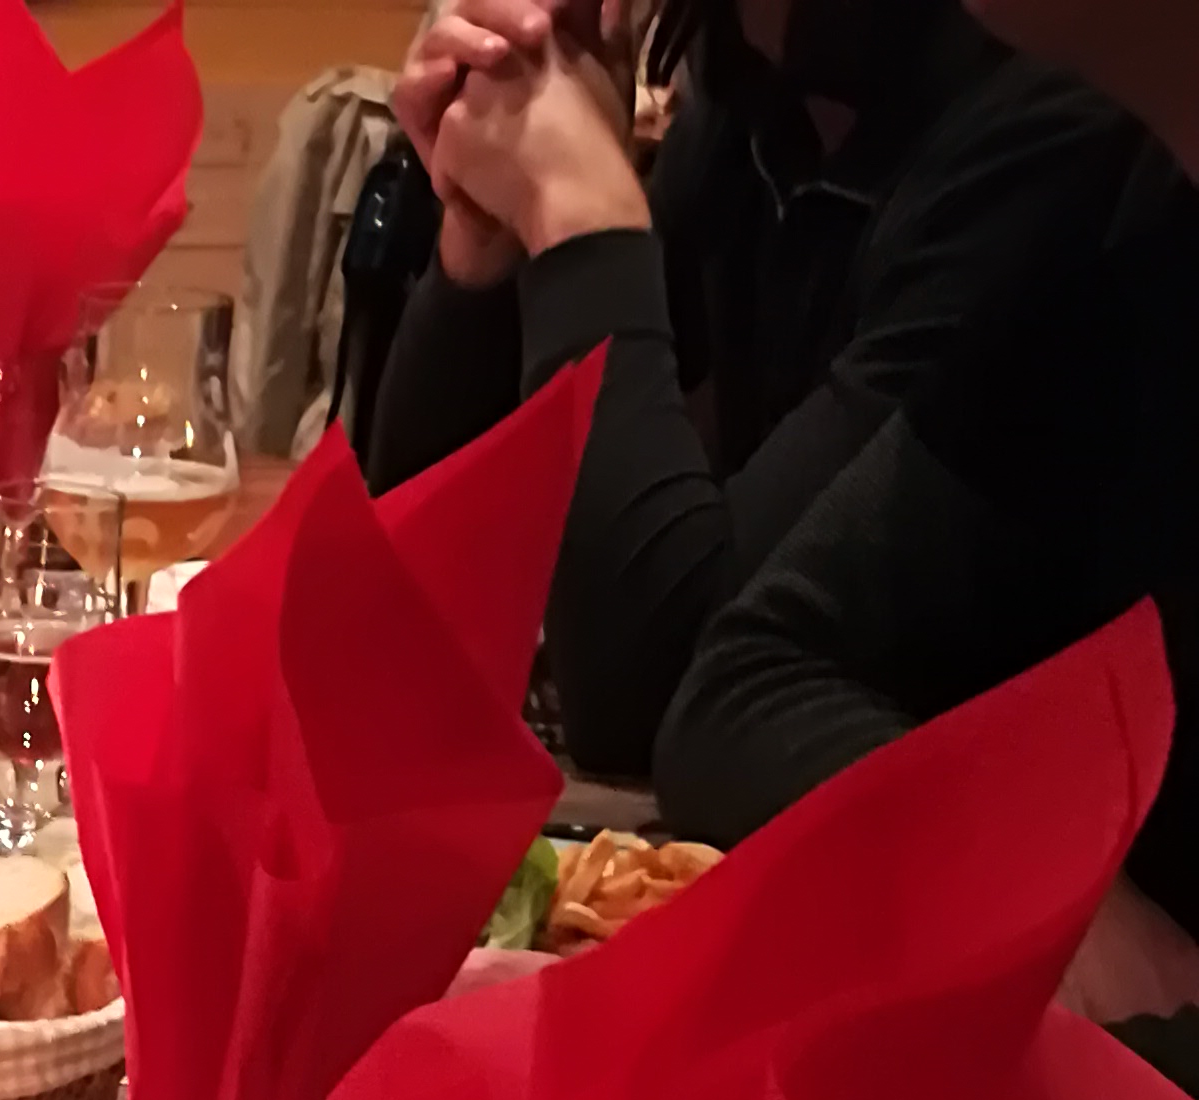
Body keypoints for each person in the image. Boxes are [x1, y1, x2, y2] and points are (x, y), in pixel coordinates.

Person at [370, 0, 1135, 783]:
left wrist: (577, 213)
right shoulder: (752, 110)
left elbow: (663, 693)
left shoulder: (1054, 135)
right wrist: (489, 234)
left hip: (1006, 826)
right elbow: (403, 606)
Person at [654, 0, 1199, 1046]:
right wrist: (1031, 872)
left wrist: (583, 231)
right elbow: (741, 682)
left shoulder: (1041, 138)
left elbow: (652, 651)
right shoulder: (1139, 210)